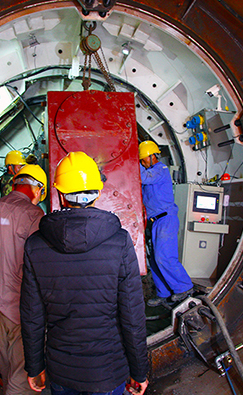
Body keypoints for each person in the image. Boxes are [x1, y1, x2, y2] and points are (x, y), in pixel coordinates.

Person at [20, 151, 149, 395]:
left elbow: (32, 316)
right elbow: (132, 314)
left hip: (62, 371)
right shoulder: (120, 242)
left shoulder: (35, 245)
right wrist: (139, 371)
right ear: (98, 192)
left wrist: (35, 367)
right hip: (108, 370)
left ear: (60, 193)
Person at [0, 164, 48, 395]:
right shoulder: (33, 214)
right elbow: (38, 264)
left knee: (5, 363)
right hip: (19, 304)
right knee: (24, 372)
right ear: (38, 189)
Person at [139, 141, 193, 307]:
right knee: (154, 260)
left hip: (166, 219)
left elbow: (143, 177)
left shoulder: (160, 169)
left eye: (143, 159)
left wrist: (132, 163)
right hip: (154, 221)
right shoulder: (148, 171)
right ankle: (164, 293)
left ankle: (184, 287)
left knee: (164, 257)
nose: (142, 162)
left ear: (152, 156)